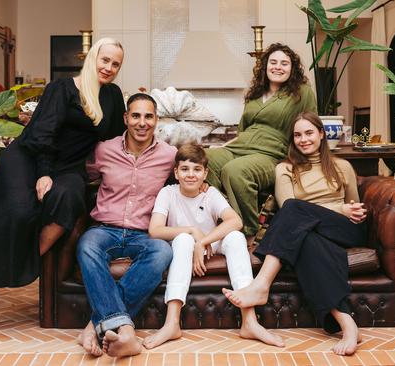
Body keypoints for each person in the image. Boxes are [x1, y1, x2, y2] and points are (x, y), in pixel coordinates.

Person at [0, 38, 126, 333]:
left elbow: (117, 137)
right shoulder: (62, 88)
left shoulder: (113, 96)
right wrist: (43, 173)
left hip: (68, 167)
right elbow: (43, 133)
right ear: (93, 58)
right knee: (19, 212)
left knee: (70, 198)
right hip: (30, 157)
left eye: (115, 64)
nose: (109, 67)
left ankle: (24, 262)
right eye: (104, 60)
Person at [222, 112, 367, 356]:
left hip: (344, 228)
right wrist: (337, 208)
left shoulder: (343, 166)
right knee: (306, 239)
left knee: (294, 212)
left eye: (309, 133)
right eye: (297, 135)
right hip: (306, 231)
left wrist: (346, 210)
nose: (303, 139)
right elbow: (286, 203)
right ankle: (348, 325)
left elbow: (353, 205)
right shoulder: (285, 169)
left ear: (321, 134)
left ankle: (261, 285)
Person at [143, 144, 284, 350]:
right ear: (176, 172)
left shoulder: (210, 193)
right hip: (183, 246)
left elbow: (235, 221)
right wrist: (191, 232)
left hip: (209, 243)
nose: (191, 175)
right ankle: (172, 323)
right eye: (184, 169)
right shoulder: (168, 193)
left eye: (197, 169)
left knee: (236, 237)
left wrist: (203, 241)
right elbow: (155, 230)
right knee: (183, 239)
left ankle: (250, 321)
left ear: (205, 173)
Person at [76, 93, 177, 358]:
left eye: (148, 116)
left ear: (157, 120)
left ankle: (94, 325)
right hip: (104, 229)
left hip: (143, 233)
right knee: (86, 245)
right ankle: (126, 332)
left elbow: (192, 181)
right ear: (126, 118)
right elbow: (78, 175)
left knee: (163, 252)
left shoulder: (169, 156)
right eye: (136, 116)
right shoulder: (103, 150)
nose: (142, 123)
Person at [206, 43, 317, 242]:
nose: (278, 67)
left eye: (284, 63)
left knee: (235, 170)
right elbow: (243, 129)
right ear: (265, 66)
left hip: (271, 153)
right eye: (273, 62)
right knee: (207, 159)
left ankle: (247, 229)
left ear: (292, 68)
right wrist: (224, 146)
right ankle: (218, 219)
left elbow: (311, 124)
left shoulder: (301, 91)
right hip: (242, 146)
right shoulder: (255, 93)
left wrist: (306, 157)